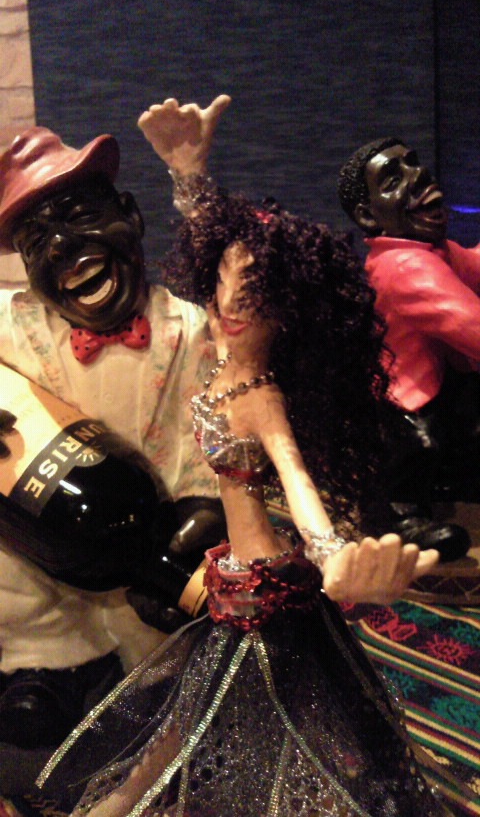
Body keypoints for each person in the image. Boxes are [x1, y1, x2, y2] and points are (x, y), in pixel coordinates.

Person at [36, 100, 454, 817]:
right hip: (228, 577)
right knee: (192, 720)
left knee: (288, 731)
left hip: (266, 596)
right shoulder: (220, 354)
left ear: (289, 306)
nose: (230, 300)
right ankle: (131, 798)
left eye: (253, 290)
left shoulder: (260, 397)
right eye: (223, 281)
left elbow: (298, 485)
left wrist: (336, 561)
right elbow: (218, 235)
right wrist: (187, 170)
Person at [0, 101, 229, 755]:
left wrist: (200, 508)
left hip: (144, 559)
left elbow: (209, 439)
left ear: (130, 215)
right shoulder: (12, 325)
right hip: (43, 577)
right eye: (38, 240)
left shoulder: (188, 329)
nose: (63, 247)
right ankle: (42, 675)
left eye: (80, 217)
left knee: (168, 672)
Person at [338, 138, 480, 561]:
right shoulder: (405, 267)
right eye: (393, 180)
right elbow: (471, 326)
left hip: (442, 380)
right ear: (369, 216)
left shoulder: (428, 250)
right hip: (403, 397)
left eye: (413, 164)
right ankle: (398, 518)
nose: (418, 175)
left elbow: (472, 264)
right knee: (419, 443)